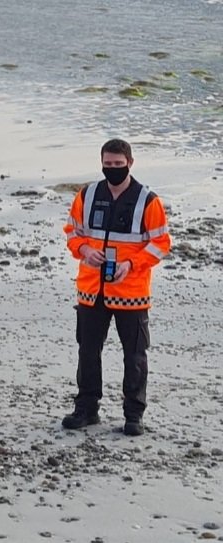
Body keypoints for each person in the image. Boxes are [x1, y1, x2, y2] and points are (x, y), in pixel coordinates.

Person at [61, 139, 171, 436]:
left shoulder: (148, 200)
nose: (112, 170)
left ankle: (134, 415)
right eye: (107, 165)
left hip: (131, 293)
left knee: (134, 356)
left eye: (117, 165)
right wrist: (84, 250)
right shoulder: (87, 194)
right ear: (101, 163)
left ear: (130, 163)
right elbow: (72, 231)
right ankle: (86, 409)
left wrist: (131, 264)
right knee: (88, 351)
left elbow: (161, 243)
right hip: (91, 289)